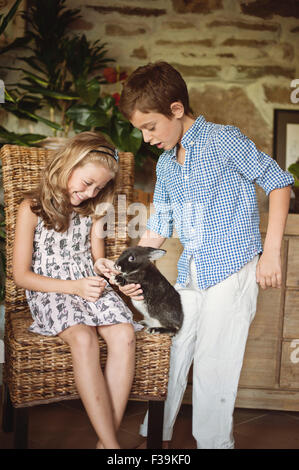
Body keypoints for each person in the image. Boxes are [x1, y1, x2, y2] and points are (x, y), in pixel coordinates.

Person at [96, 61, 295, 449]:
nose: (146, 137)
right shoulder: (168, 163)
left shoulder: (224, 140)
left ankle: (215, 444)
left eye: (150, 127)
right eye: (140, 130)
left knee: (213, 364)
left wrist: (270, 254)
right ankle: (157, 435)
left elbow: (278, 183)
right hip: (192, 272)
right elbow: (159, 225)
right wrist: (122, 267)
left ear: (175, 109)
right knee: (173, 349)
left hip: (233, 270)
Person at [12, 131, 142, 450]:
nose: (89, 193)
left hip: (88, 284)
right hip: (52, 290)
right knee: (83, 338)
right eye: (86, 183)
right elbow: (20, 276)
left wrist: (105, 268)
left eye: (98, 188)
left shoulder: (93, 211)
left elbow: (95, 256)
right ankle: (113, 448)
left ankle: (104, 444)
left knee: (125, 333)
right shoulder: (32, 208)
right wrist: (74, 287)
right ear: (68, 165)